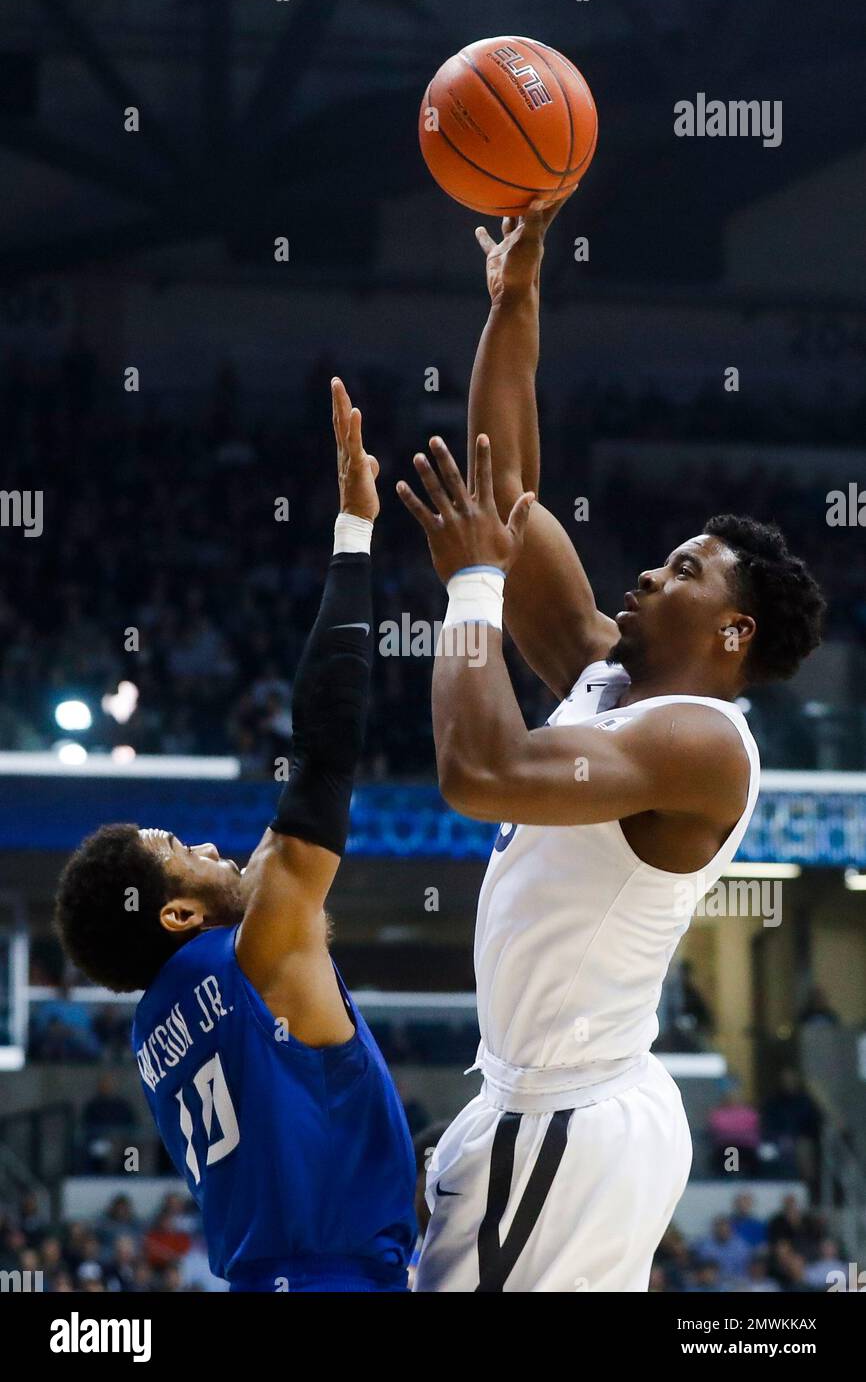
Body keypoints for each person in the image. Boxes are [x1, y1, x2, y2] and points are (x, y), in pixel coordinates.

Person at [398, 197, 825, 1293]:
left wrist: (471, 586)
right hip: (541, 1105)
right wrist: (516, 299)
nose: (645, 572)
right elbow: (508, 487)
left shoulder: (697, 744)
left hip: (569, 1117)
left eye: (682, 571)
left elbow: (477, 770)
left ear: (733, 634)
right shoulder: (609, 673)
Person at [54, 379, 416, 1293]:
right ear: (176, 912)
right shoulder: (253, 955)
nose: (213, 850)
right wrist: (353, 536)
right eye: (186, 853)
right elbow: (323, 755)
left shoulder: (156, 1027)